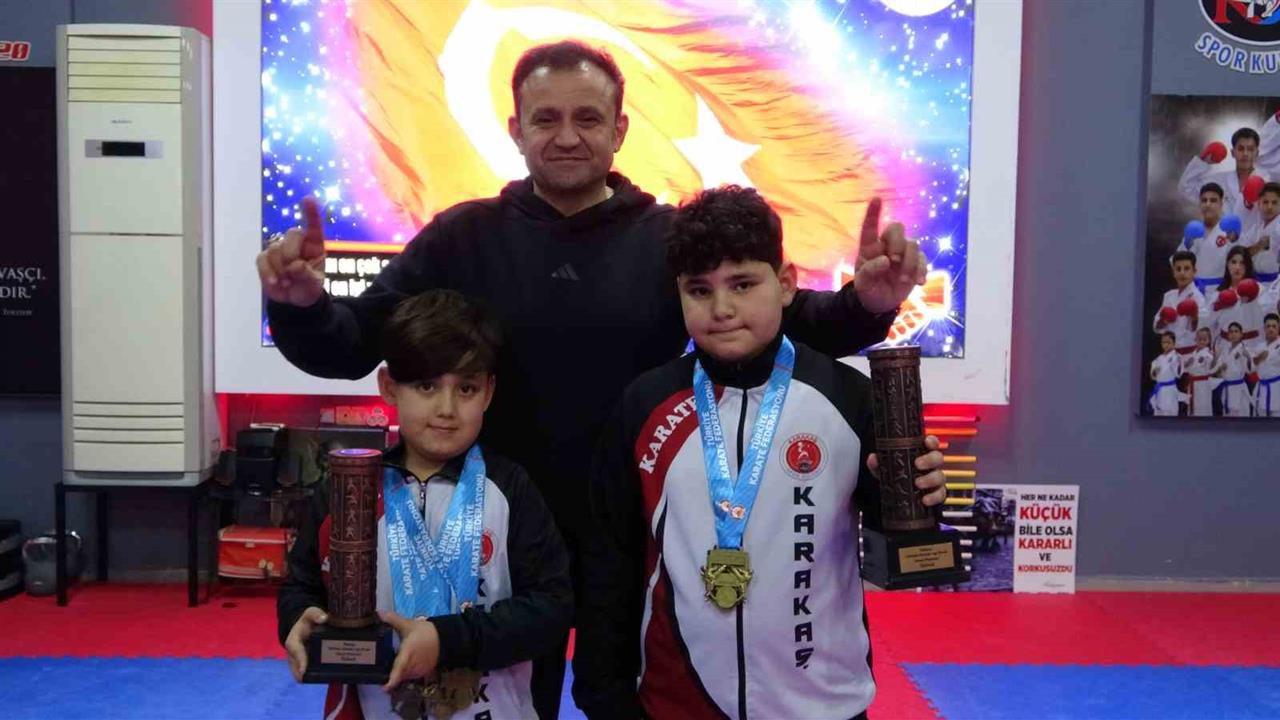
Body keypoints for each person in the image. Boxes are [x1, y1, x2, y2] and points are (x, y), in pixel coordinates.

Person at [257, 39, 944, 718]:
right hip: (497, 529)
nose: (566, 136)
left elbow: (774, 322)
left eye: (587, 118)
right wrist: (302, 308)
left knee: (632, 700)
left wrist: (866, 303)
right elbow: (355, 344)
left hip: (641, 531)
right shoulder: (462, 237)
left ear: (619, 131)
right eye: (545, 118)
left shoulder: (664, 237)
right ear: (515, 131)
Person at [571, 185, 949, 720]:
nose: (722, 309)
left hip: (823, 704)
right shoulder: (644, 406)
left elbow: (897, 531)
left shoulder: (847, 397)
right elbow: (610, 561)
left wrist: (920, 495)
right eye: (699, 290)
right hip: (676, 704)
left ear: (786, 283)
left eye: (743, 284)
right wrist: (604, 696)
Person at [278, 290, 573, 720]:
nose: (446, 409)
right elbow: (300, 586)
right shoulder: (349, 491)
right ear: (389, 387)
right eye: (427, 385)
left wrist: (446, 641)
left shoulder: (511, 489)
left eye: (466, 388)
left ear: (489, 392)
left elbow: (551, 608)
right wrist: (297, 621)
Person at [1179, 119, 1280, 220]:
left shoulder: (1269, 182)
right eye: (1240, 149)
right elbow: (1187, 189)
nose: (1245, 154)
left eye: (1250, 149)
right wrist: (1203, 160)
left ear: (1257, 153)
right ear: (1233, 152)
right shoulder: (1219, 181)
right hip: (1223, 230)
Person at [1183, 184, 1236, 292]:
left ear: (1221, 203)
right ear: (1200, 204)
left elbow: (1240, 262)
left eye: (1213, 200)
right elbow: (1177, 262)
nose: (1208, 204)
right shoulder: (1193, 230)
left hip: (1221, 290)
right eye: (1204, 200)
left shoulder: (1229, 231)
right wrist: (1187, 244)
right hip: (1195, 291)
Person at [1152, 250, 1205, 356]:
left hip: (1190, 353)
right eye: (1178, 269)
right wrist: (1163, 320)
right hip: (1170, 353)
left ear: (1194, 271)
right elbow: (1156, 327)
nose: (1182, 273)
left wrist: (1194, 316)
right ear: (1174, 272)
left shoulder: (1198, 297)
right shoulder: (1169, 296)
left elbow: (1204, 330)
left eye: (1187, 269)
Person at [1211, 322, 1254, 417]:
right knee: (1227, 416)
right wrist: (1217, 361)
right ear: (1228, 335)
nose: (1233, 334)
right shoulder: (1224, 350)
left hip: (1239, 389)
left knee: (1241, 416)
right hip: (1227, 388)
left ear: (1241, 334)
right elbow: (1214, 370)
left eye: (1236, 331)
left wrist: (1248, 357)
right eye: (1231, 332)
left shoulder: (1245, 349)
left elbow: (1250, 369)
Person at [1243, 181, 1280, 286]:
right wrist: (1259, 246)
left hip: (1275, 283)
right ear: (1259, 204)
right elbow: (1242, 253)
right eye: (1265, 202)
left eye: (1274, 202)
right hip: (1256, 281)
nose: (1269, 207)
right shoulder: (1256, 228)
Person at [1183, 326, 1216, 417]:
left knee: (1202, 407)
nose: (1201, 342)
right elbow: (1186, 368)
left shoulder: (1208, 355)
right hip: (1192, 383)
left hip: (1203, 385)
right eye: (1199, 339)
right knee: (1192, 407)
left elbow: (1212, 368)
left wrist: (1213, 359)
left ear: (1209, 340)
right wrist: (1187, 364)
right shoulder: (1193, 354)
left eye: (1204, 339)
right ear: (1195, 340)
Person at [1148, 332, 1182, 416]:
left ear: (1174, 343)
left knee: (1170, 413)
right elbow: (1153, 376)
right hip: (1160, 390)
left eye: (1168, 342)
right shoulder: (1158, 359)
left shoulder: (1177, 357)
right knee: (1158, 413)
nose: (1165, 345)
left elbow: (1178, 374)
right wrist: (1155, 372)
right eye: (1163, 342)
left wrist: (1178, 365)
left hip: (1170, 390)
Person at [1253, 313, 1280, 417]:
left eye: (1274, 326)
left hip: (1277, 387)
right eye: (1268, 326)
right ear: (1264, 328)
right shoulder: (1259, 346)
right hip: (1262, 387)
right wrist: (1260, 358)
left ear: (1278, 328)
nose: (1271, 329)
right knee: (1261, 417)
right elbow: (1251, 368)